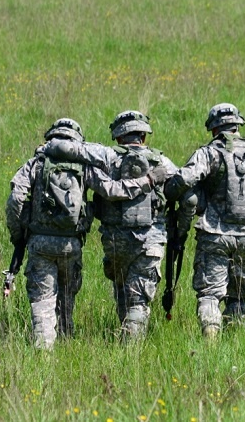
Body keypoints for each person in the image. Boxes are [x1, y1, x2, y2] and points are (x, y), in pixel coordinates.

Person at [5, 118, 167, 350]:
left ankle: (43, 352)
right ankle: (66, 340)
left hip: (39, 241)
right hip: (71, 244)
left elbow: (15, 200)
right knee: (66, 299)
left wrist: (18, 234)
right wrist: (149, 180)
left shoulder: (35, 164)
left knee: (42, 300)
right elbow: (113, 191)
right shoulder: (84, 166)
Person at [164, 103, 245, 339]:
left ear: (213, 129)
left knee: (210, 295)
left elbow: (185, 179)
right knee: (240, 297)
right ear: (238, 125)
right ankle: (235, 345)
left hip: (214, 234)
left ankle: (210, 345)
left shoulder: (208, 153)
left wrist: (169, 192)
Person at [45, 110, 177, 340]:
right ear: (144, 136)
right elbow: (187, 192)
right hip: (150, 239)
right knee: (139, 298)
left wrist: (48, 147)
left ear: (118, 137)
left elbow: (64, 148)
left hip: (114, 239)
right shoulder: (162, 162)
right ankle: (130, 348)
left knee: (122, 287)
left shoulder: (106, 156)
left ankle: (127, 331)